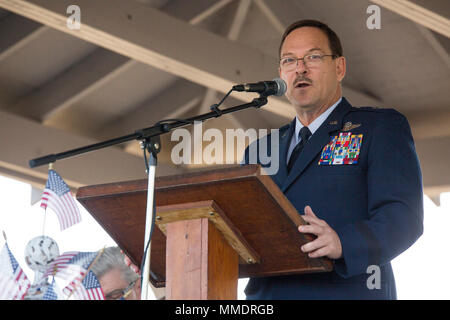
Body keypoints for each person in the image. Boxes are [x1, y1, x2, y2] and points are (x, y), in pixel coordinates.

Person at [242, 19, 423, 299]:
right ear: (280, 74)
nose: (300, 68)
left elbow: (403, 218)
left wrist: (343, 242)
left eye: (313, 57)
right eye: (290, 60)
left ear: (340, 68)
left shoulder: (378, 128)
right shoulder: (258, 150)